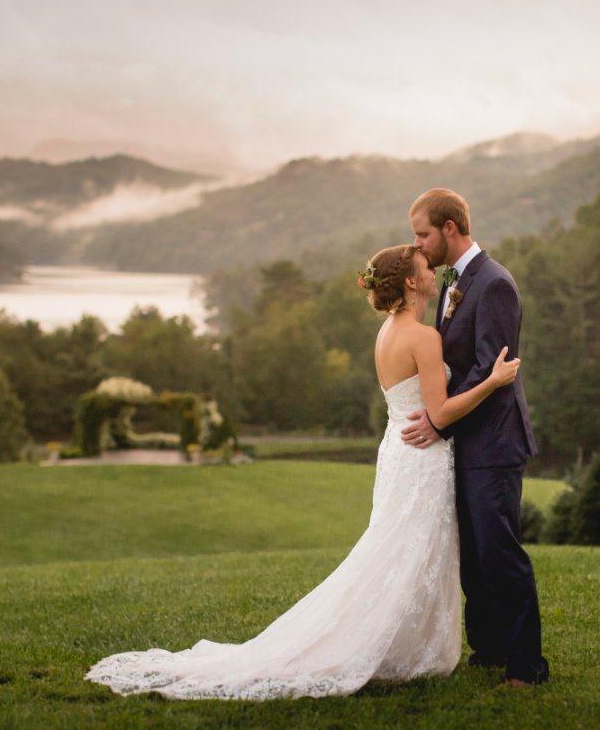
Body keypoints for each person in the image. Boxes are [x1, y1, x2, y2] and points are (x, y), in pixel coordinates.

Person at [85, 243, 520, 699]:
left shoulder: (387, 332)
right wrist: (492, 381)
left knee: (397, 549)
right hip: (421, 455)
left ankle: (402, 644)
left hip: (397, 450)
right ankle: (397, 648)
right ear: (411, 282)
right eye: (426, 268)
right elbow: (442, 412)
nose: (435, 271)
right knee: (408, 550)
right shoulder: (423, 337)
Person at [401, 188, 548, 686]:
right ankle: (487, 649)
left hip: (494, 443)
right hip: (464, 443)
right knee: (473, 558)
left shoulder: (495, 283)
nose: (417, 245)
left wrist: (440, 417)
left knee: (500, 553)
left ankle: (526, 666)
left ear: (449, 228)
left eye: (422, 234)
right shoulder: (453, 283)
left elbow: (491, 368)